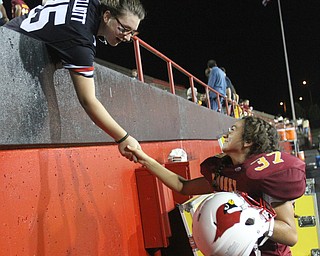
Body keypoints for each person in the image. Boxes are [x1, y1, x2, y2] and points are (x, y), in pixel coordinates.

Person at [127, 116, 306, 255]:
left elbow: (291, 235)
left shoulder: (266, 176)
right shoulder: (229, 173)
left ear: (248, 142)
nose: (227, 133)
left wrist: (253, 220)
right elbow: (183, 186)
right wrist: (144, 158)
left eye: (233, 130)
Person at [4, 0, 146, 161]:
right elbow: (88, 100)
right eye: (124, 29)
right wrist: (123, 138)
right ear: (107, 16)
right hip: (8, 60)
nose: (127, 37)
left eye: (133, 32)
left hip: (8, 36)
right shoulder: (81, 41)